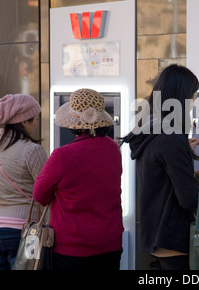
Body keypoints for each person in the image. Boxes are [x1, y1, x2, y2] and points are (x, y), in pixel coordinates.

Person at [122, 64, 199, 270]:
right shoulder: (171, 138)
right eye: (193, 97)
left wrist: (182, 149)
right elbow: (188, 199)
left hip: (157, 236)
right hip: (175, 239)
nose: (193, 104)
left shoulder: (151, 130)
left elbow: (160, 175)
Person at [33, 88, 123, 270]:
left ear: (74, 123)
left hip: (71, 248)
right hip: (110, 244)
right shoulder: (114, 149)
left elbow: (39, 195)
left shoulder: (61, 155)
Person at [0, 94, 47, 270]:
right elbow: (45, 191)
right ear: (24, 121)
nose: (36, 123)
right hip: (28, 229)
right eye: (35, 118)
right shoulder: (32, 150)